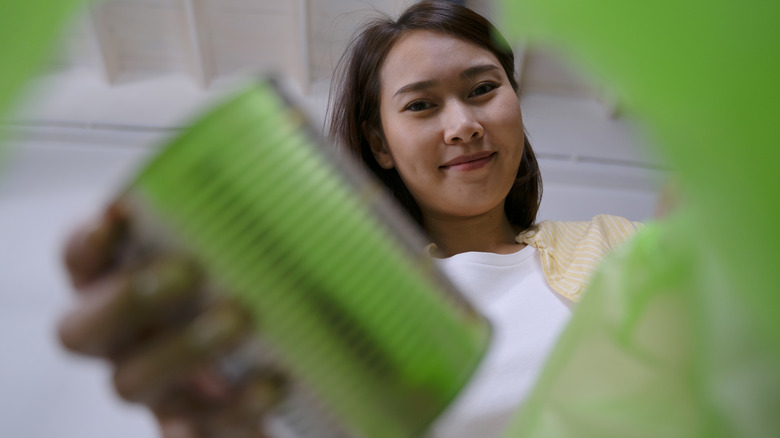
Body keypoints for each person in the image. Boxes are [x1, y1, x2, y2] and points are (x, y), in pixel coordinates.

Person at [58, 2, 641, 437]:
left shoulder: (623, 246)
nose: (463, 124)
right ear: (379, 143)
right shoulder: (324, 312)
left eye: (484, 88)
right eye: (421, 104)